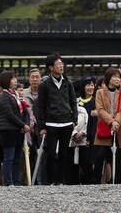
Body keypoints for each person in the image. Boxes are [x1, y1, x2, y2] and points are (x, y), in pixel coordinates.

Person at [37, 52, 78, 185]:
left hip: (66, 121)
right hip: (51, 123)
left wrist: (74, 120)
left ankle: (61, 181)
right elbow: (41, 106)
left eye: (62, 63)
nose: (61, 66)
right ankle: (51, 181)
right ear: (50, 67)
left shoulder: (68, 83)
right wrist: (42, 126)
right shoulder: (44, 85)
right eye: (58, 64)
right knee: (51, 153)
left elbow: (73, 102)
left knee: (64, 153)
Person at [93, 67, 121, 184]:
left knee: (119, 157)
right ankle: (96, 181)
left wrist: (116, 121)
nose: (118, 79)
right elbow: (100, 109)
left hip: (118, 128)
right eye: (115, 76)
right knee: (100, 156)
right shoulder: (100, 93)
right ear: (108, 78)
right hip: (105, 127)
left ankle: (119, 181)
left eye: (119, 77)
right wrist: (111, 121)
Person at [0, 70, 31, 186]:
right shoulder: (3, 96)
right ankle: (8, 182)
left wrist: (26, 124)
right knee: (9, 157)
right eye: (13, 78)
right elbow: (9, 114)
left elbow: (25, 111)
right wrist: (23, 125)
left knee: (18, 158)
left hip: (18, 130)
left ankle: (16, 181)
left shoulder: (16, 95)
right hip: (8, 130)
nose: (15, 81)